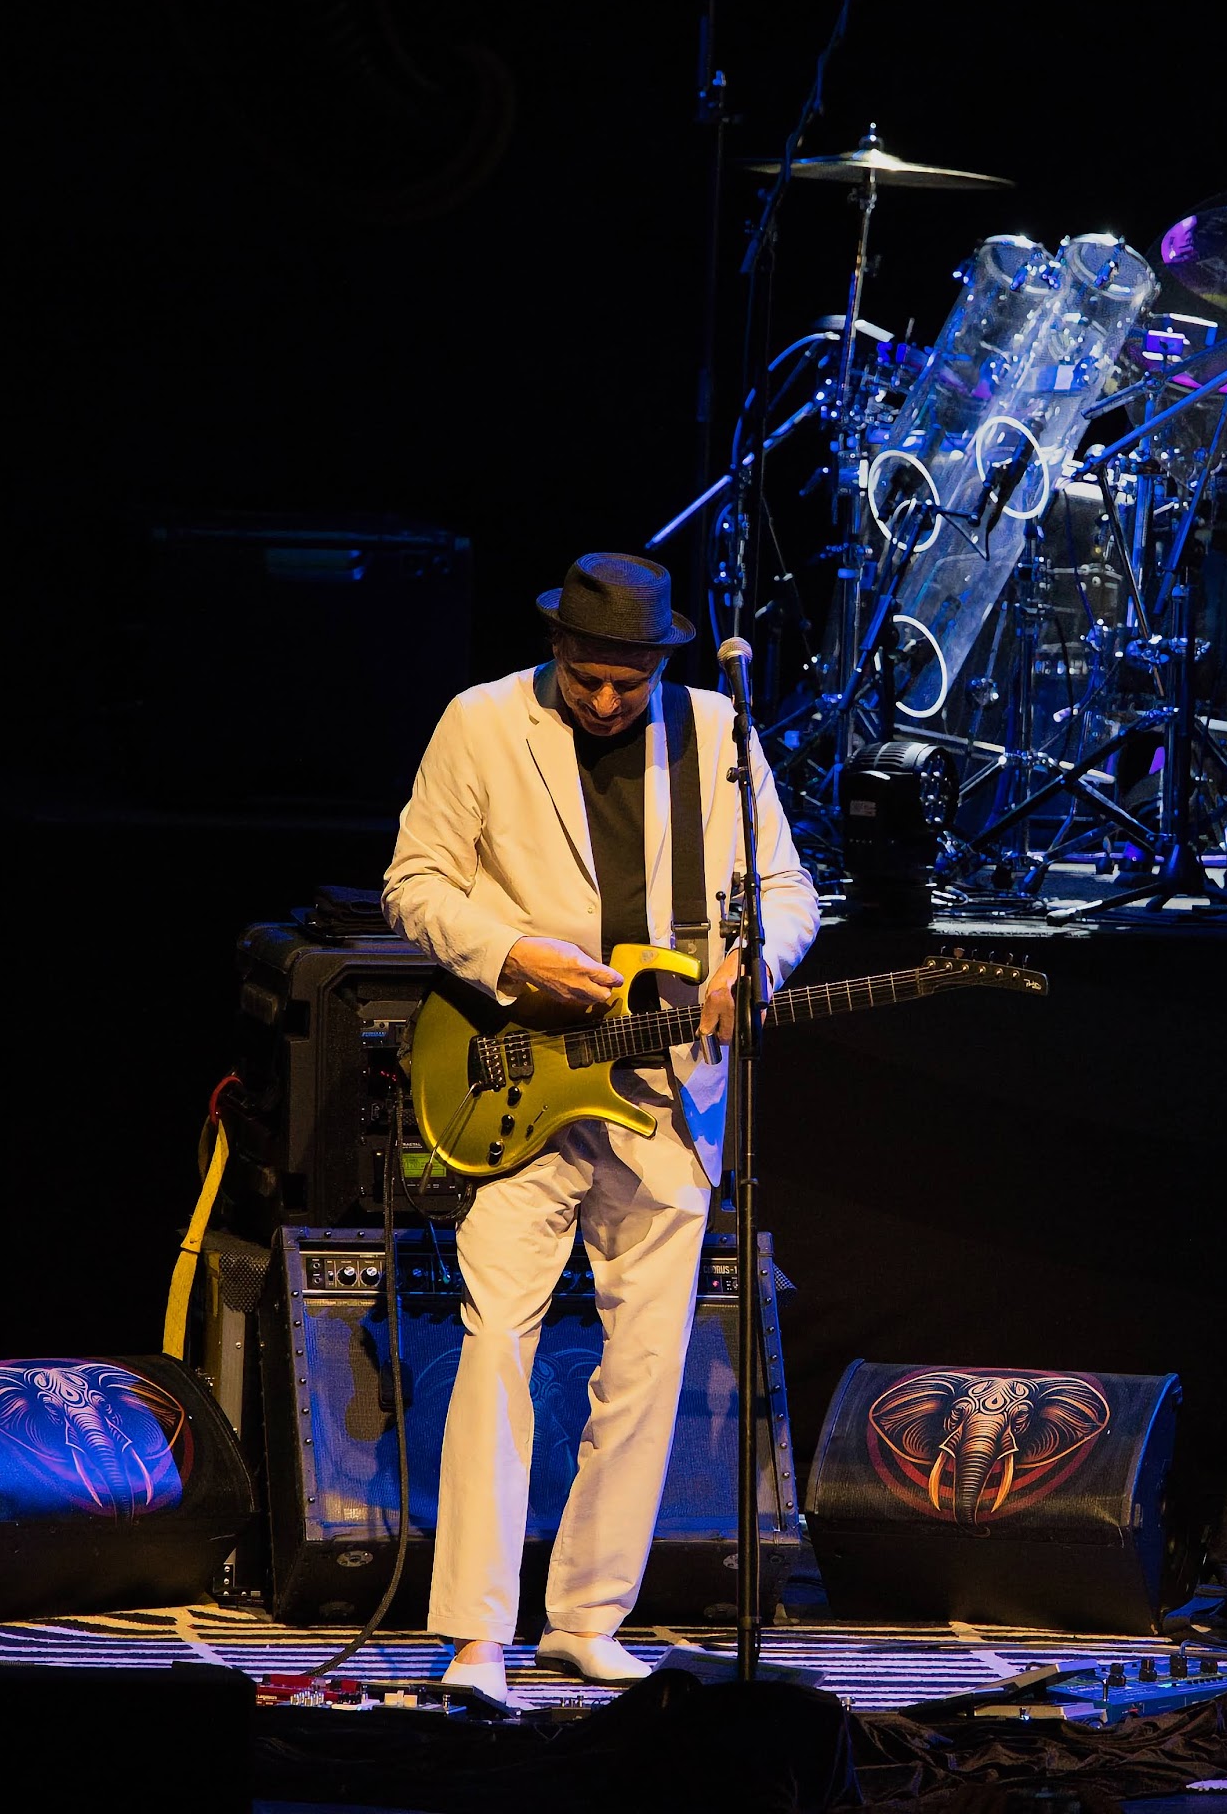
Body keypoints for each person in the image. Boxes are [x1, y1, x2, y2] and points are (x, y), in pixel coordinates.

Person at [383, 552, 819, 1703]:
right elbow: (415, 881)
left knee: (647, 1361)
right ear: (557, 652)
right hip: (528, 1071)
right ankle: (477, 1632)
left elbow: (786, 887)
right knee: (496, 1339)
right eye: (587, 678)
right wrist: (509, 951)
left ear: (660, 659)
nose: (608, 701)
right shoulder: (481, 723)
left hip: (673, 1082)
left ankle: (584, 1616)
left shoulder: (718, 733)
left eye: (628, 680)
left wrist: (752, 960)